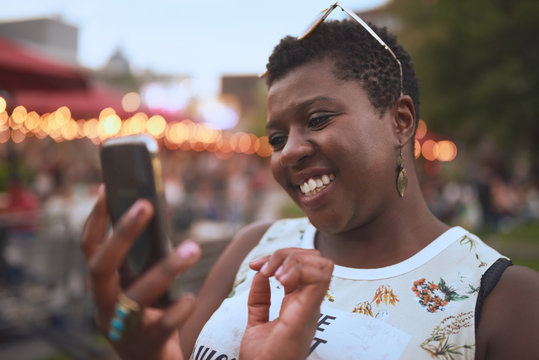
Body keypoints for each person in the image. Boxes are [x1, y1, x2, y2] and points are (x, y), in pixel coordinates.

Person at [82, 3, 539, 359]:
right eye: (277, 138)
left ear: (400, 121)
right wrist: (134, 344)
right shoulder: (257, 248)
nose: (290, 152)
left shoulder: (502, 299)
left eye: (318, 119)